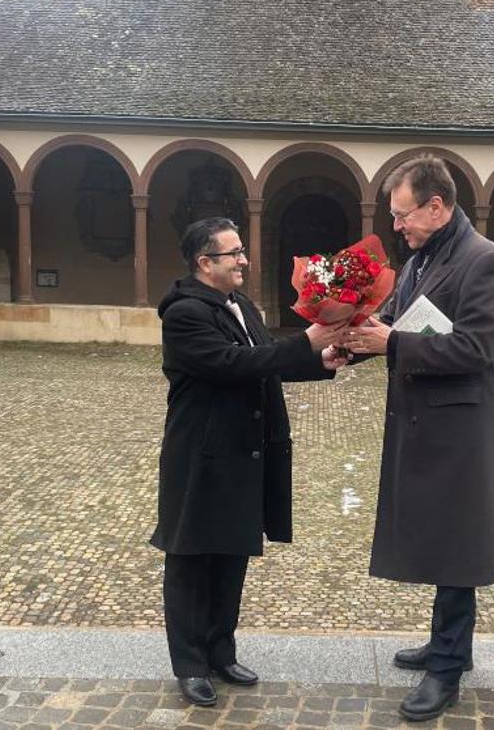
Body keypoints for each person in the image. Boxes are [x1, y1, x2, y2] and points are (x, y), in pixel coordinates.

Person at [343, 155, 494, 722]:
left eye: (403, 215)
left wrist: (388, 343)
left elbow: (475, 349)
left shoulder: (484, 262)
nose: (397, 226)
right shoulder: (419, 259)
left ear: (437, 207)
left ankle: (446, 669)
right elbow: (391, 322)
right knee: (440, 539)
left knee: (458, 546)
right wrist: (347, 343)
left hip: (462, 429)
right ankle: (447, 644)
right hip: (423, 421)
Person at [150, 216, 348, 707]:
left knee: (232, 555)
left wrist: (320, 362)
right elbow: (229, 364)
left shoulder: (240, 305)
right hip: (200, 455)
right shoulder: (184, 314)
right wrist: (306, 340)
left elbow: (264, 360)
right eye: (233, 253)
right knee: (192, 560)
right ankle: (190, 664)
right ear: (204, 262)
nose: (244, 260)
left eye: (241, 251)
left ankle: (221, 652)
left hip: (241, 452)